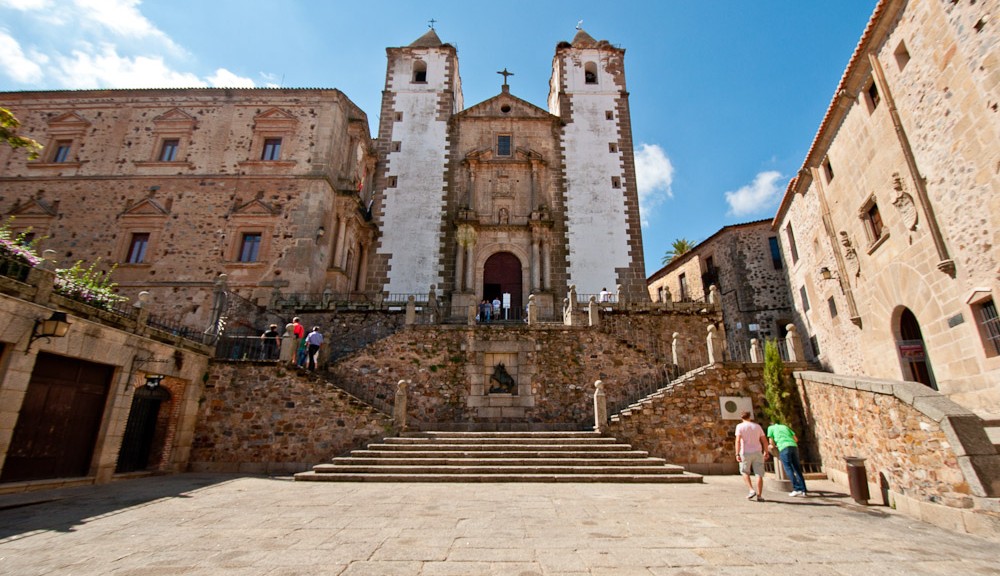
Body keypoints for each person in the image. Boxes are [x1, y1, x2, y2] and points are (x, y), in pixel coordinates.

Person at [735, 410, 769, 501]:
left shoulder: (740, 426)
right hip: (758, 452)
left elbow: (738, 440)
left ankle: (751, 490)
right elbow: (764, 440)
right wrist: (766, 451)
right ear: (750, 417)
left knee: (745, 472)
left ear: (741, 417)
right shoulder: (757, 426)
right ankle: (759, 495)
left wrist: (737, 453)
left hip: (745, 452)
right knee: (759, 474)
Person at [767, 421, 808, 496]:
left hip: (783, 447)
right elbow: (795, 439)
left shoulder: (770, 428)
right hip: (793, 446)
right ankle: (803, 489)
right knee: (797, 468)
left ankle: (796, 488)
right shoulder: (785, 427)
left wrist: (771, 445)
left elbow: (771, 441)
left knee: (788, 468)